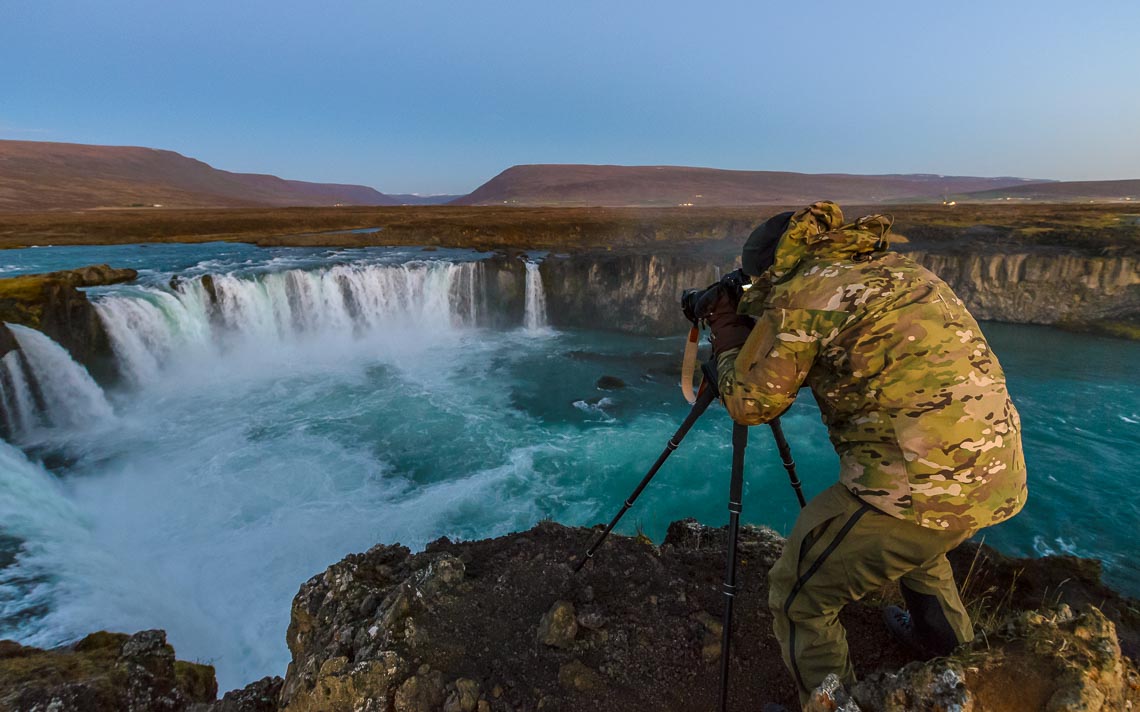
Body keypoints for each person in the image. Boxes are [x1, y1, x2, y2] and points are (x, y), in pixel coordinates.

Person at [706, 200, 1027, 705]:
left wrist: (728, 338)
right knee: (921, 548)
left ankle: (834, 702)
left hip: (918, 486)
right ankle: (952, 661)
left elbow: (751, 403)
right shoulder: (901, 270)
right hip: (994, 469)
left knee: (798, 594)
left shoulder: (806, 294)